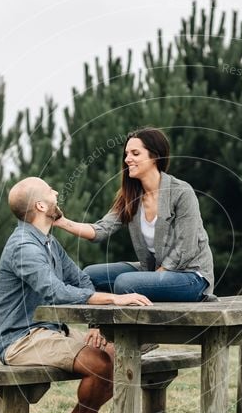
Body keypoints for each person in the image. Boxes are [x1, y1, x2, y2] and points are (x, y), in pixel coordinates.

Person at [0, 176, 151, 413]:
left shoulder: (48, 242)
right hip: (20, 339)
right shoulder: (24, 246)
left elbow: (80, 280)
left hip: (51, 331)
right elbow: (54, 291)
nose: (56, 192)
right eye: (50, 190)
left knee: (120, 353)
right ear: (42, 205)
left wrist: (95, 325)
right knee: (100, 364)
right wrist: (114, 299)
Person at [52, 127, 216, 302]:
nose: (127, 159)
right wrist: (61, 222)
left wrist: (156, 277)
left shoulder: (181, 192)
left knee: (124, 283)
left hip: (191, 276)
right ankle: (98, 327)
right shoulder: (131, 196)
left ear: (155, 156)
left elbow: (186, 248)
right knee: (88, 276)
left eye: (135, 153)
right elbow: (100, 230)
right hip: (153, 270)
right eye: (127, 153)